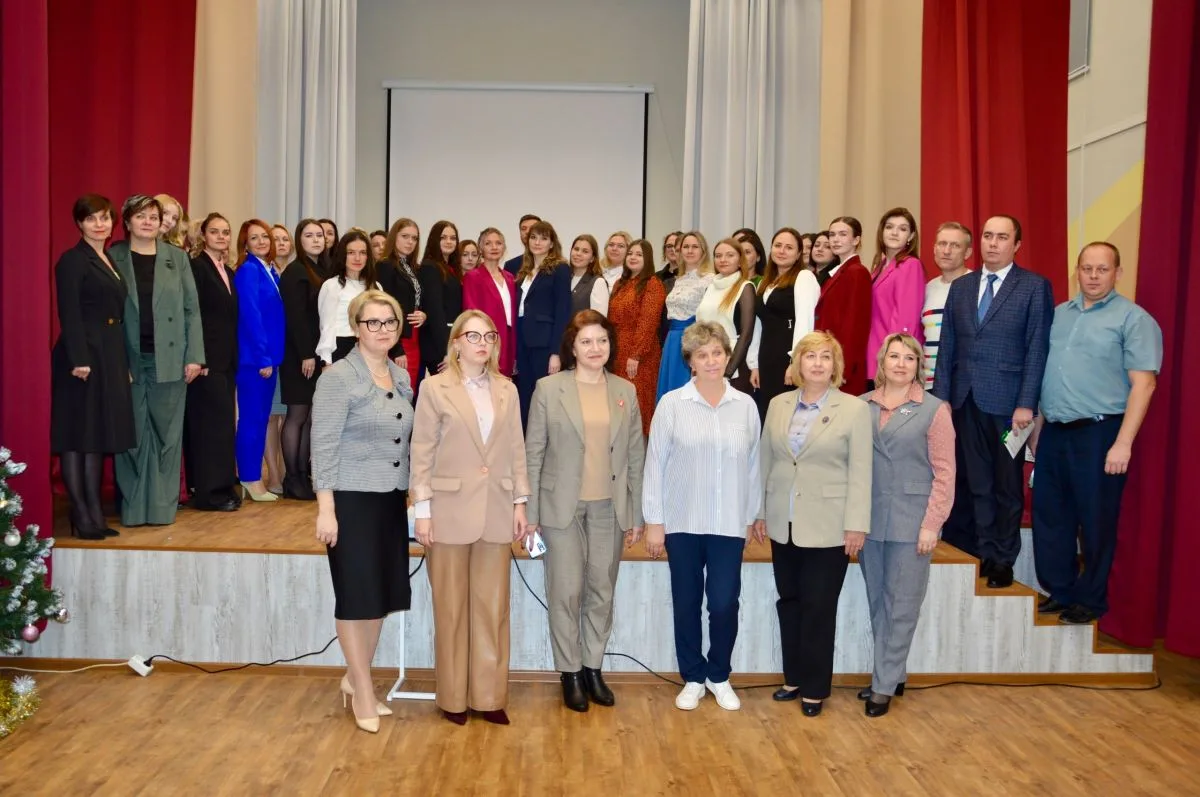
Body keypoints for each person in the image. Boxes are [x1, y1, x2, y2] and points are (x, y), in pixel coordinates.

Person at [409, 310, 530, 726]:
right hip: (447, 512)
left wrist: (520, 503)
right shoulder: (433, 387)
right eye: (473, 336)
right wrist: (422, 511)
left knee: (492, 609)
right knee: (451, 609)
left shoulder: (507, 389)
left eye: (489, 336)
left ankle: (488, 696)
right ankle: (453, 699)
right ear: (456, 342)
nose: (482, 343)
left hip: (496, 509)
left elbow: (516, 449)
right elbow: (421, 453)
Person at [1031, 242, 1162, 625]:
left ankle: (1090, 600)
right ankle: (1060, 589)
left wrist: (1123, 443)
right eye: (1086, 268)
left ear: (1117, 273)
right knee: (1050, 515)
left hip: (1100, 433)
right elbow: (1048, 376)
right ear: (1077, 271)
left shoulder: (1134, 320)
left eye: (1102, 269)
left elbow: (1144, 385)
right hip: (1054, 432)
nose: (1092, 276)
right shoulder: (1059, 315)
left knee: (1096, 519)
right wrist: (1038, 429)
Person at [525, 310, 645, 712]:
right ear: (572, 348)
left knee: (601, 589)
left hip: (610, 507)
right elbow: (533, 452)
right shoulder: (548, 389)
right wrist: (530, 512)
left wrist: (636, 514)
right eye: (587, 341)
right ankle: (570, 672)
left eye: (602, 341)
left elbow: (636, 455)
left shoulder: (625, 390)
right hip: (560, 508)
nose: (596, 348)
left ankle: (593, 667)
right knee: (566, 590)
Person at [643, 321, 762, 713]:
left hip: (729, 522)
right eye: (702, 355)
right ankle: (693, 677)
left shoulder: (745, 405)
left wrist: (751, 515)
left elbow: (753, 465)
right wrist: (655, 521)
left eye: (717, 353)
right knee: (687, 602)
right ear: (690, 361)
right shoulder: (672, 404)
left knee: (724, 603)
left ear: (728, 356)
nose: (711, 361)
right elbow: (655, 463)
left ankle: (719, 675)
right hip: (682, 521)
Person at [312, 290, 414, 734]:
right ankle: (364, 691)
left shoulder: (400, 375)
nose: (382, 329)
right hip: (349, 500)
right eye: (372, 322)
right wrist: (326, 509)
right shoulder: (338, 378)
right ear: (356, 328)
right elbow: (322, 446)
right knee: (356, 596)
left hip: (390, 499)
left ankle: (356, 679)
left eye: (389, 322)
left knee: (378, 598)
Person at [931, 215, 1053, 587]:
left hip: (1009, 407)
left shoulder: (1033, 286)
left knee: (1006, 485)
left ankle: (1003, 559)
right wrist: (941, 399)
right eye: (987, 236)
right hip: (965, 399)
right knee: (977, 483)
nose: (993, 243)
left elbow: (1037, 348)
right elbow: (947, 346)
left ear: (1017, 245)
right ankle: (984, 553)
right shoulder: (962, 287)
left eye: (1002, 237)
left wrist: (1027, 403)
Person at [757, 330, 871, 716]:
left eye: (826, 356)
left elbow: (861, 472)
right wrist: (760, 512)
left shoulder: (853, 409)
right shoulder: (778, 404)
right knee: (789, 602)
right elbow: (767, 460)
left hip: (830, 526)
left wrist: (856, 524)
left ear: (835, 365)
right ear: (798, 363)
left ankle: (815, 687)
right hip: (783, 521)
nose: (818, 363)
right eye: (810, 356)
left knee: (819, 607)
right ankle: (793, 677)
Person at [858, 333, 955, 716]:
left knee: (902, 606)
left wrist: (932, 523)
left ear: (919, 365)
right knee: (877, 603)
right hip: (868, 522)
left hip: (913, 522)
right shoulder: (861, 405)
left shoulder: (934, 410)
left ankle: (882, 685)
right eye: (894, 356)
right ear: (882, 362)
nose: (901, 364)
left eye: (909, 358)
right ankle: (892, 673)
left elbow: (945, 473)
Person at [110, 195, 204, 527]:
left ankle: (162, 508)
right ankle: (134, 508)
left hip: (171, 359)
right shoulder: (113, 257)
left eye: (153, 216)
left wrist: (195, 356)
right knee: (132, 438)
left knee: (167, 437)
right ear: (127, 221)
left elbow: (192, 310)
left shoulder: (176, 258)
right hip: (128, 361)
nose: (148, 222)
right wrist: (115, 362)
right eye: (141, 216)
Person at [51, 194, 136, 539]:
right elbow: (69, 312)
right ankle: (81, 513)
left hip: (108, 354)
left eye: (104, 218)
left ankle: (94, 514)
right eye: (91, 219)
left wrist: (121, 362)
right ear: (79, 223)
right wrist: (79, 359)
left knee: (96, 435)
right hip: (82, 357)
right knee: (77, 436)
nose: (99, 224)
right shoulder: (72, 260)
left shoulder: (108, 258)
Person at [183, 213, 240, 513]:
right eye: (215, 231)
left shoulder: (226, 270)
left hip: (226, 359)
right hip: (206, 361)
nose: (221, 237)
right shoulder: (197, 267)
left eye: (226, 232)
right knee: (209, 429)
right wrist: (198, 355)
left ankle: (223, 487)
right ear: (203, 235)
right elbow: (194, 315)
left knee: (223, 426)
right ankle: (209, 493)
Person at [233, 219, 285, 503]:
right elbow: (251, 316)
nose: (262, 241)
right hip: (255, 361)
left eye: (265, 236)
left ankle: (251, 476)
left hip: (269, 358)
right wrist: (263, 357)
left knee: (261, 418)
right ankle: (250, 477)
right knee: (252, 420)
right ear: (245, 244)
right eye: (254, 238)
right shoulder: (248, 270)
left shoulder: (268, 269)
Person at [278, 219, 329, 501]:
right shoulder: (296, 271)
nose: (316, 239)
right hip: (300, 355)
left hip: (316, 354)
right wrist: (306, 354)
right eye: (309, 235)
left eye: (319, 235)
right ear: (300, 240)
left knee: (310, 418)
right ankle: (292, 478)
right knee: (297, 416)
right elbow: (296, 317)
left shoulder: (323, 269)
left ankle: (303, 474)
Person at [753, 228, 821, 415]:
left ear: (799, 254)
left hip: (787, 358)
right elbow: (759, 325)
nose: (782, 251)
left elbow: (804, 322)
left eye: (789, 247)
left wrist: (795, 362)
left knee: (786, 415)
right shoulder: (766, 282)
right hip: (766, 357)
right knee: (768, 413)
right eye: (778, 246)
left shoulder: (804, 277)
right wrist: (754, 364)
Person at [515, 220, 573, 425]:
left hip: (544, 343)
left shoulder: (560, 268)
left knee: (544, 397)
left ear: (552, 243)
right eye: (533, 237)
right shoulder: (525, 270)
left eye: (543, 238)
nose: (537, 242)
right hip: (523, 340)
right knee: (525, 394)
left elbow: (563, 311)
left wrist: (556, 352)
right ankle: (526, 440)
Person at [607, 239, 665, 435]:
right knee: (618, 403)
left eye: (639, 254)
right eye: (630, 253)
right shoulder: (620, 284)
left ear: (647, 258)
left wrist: (636, 354)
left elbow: (648, 322)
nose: (633, 257)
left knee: (638, 403)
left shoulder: (652, 284)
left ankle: (639, 449)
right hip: (618, 351)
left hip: (640, 355)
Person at [867, 208, 925, 384]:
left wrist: (895, 357)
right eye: (889, 227)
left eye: (902, 229)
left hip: (893, 358)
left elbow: (906, 318)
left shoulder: (910, 265)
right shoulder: (880, 266)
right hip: (874, 352)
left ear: (911, 236)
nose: (894, 232)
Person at [656, 231, 715, 400]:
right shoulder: (679, 279)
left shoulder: (709, 279)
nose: (690, 250)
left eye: (695, 247)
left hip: (692, 339)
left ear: (703, 251)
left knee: (686, 390)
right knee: (670, 393)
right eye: (686, 247)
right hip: (672, 339)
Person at [817, 216, 872, 392]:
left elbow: (855, 324)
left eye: (842, 234)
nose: (835, 239)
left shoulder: (857, 272)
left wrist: (844, 368)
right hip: (829, 357)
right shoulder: (838, 272)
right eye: (832, 234)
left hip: (843, 364)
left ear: (856, 240)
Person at [696, 238, 756, 393]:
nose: (723, 260)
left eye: (730, 255)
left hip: (733, 366)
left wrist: (727, 371)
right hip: (706, 362)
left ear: (740, 260)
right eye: (718, 256)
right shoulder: (710, 287)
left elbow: (746, 335)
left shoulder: (745, 287)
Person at [377, 218, 429, 387]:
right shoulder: (385, 265)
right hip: (397, 338)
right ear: (394, 237)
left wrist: (423, 314)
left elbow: (416, 299)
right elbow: (384, 308)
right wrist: (396, 349)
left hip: (414, 335)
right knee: (399, 388)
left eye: (414, 238)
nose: (410, 241)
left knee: (410, 387)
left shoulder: (412, 267)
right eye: (405, 236)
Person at [316, 231, 380, 367]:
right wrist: (326, 360)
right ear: (342, 255)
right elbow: (326, 326)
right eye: (351, 252)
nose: (357, 258)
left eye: (362, 253)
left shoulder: (376, 286)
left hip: (370, 347)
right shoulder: (332, 285)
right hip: (341, 348)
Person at [922, 222, 973, 390]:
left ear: (968, 252)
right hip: (928, 385)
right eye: (942, 244)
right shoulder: (928, 288)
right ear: (934, 248)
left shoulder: (978, 287)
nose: (946, 251)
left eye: (955, 245)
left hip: (962, 387)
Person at [463, 227, 518, 376]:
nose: (494, 247)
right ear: (481, 248)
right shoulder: (473, 277)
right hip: (486, 340)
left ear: (504, 248)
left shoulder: (510, 278)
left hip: (508, 340)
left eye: (498, 243)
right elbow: (471, 313)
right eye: (488, 243)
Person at [416, 220, 462, 385]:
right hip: (438, 345)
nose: (449, 241)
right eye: (443, 237)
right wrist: (446, 351)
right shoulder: (430, 267)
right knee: (447, 391)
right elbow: (435, 311)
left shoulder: (450, 268)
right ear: (434, 239)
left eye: (453, 238)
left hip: (449, 340)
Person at [568, 234, 610, 315]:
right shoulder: (565, 278)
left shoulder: (598, 282)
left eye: (585, 251)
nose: (578, 254)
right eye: (576, 249)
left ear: (592, 258)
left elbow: (599, 319)